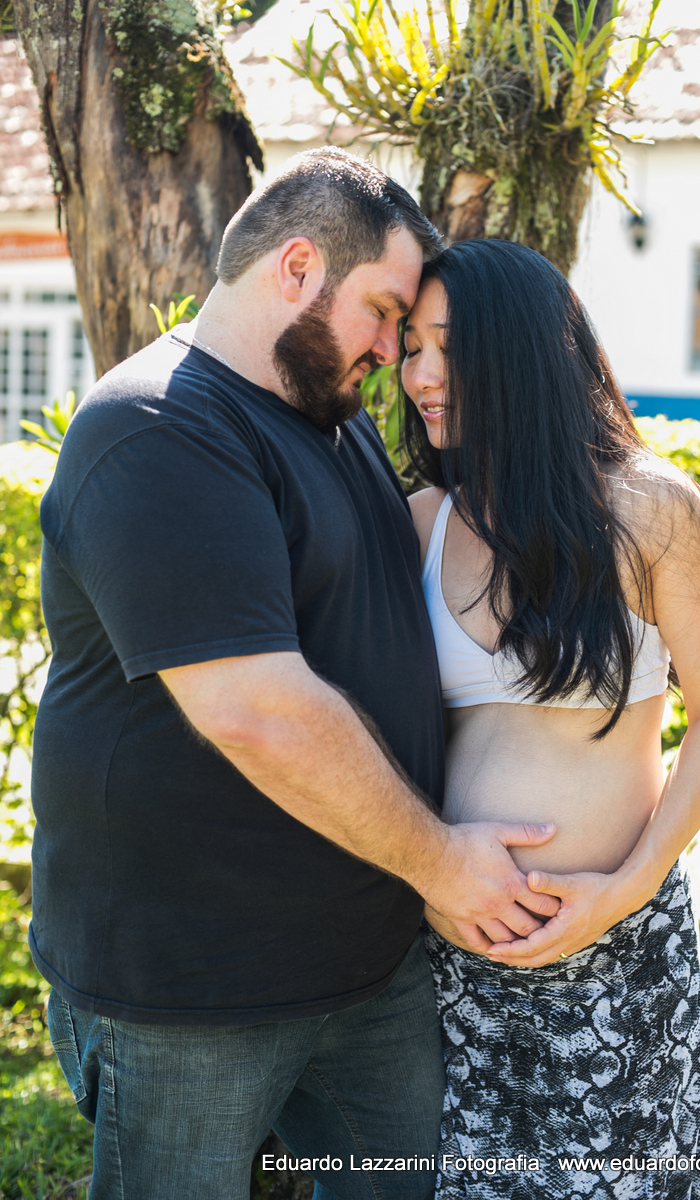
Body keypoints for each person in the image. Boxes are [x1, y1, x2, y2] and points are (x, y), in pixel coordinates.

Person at [30, 154, 559, 1200]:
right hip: (190, 988)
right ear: (300, 264)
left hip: (368, 968)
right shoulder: (156, 428)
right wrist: (445, 863)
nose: (392, 350)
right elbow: (257, 710)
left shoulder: (334, 419)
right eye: (382, 312)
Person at [402, 239, 700, 1200]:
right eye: (409, 347)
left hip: (620, 955)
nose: (421, 375)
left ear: (522, 350)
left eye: (446, 346)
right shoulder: (418, 519)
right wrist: (427, 876)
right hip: (453, 963)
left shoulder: (652, 509)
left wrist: (624, 887)